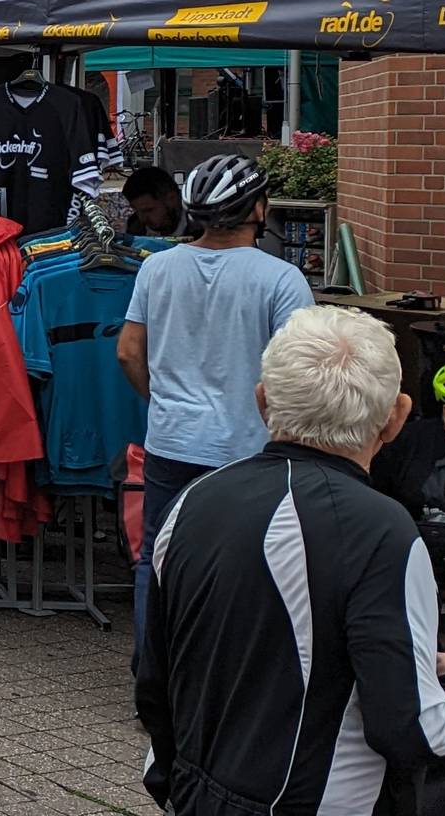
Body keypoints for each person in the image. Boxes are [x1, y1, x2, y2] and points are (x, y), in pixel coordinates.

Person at [139, 305, 445, 810]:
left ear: (262, 402)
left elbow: (154, 675)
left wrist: (172, 779)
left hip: (197, 790)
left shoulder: (192, 500)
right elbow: (413, 727)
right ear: (396, 418)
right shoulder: (383, 530)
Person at [116, 153, 314, 649]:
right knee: (247, 565)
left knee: (158, 561)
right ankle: (225, 687)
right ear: (258, 210)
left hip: (170, 442)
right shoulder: (280, 279)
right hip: (246, 449)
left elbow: (127, 352)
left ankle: (153, 683)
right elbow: (297, 370)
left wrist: (160, 398)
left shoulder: (156, 269)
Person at [122, 164, 184, 239]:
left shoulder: (198, 226)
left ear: (172, 198)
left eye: (149, 210)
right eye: (137, 211)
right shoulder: (135, 229)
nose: (142, 218)